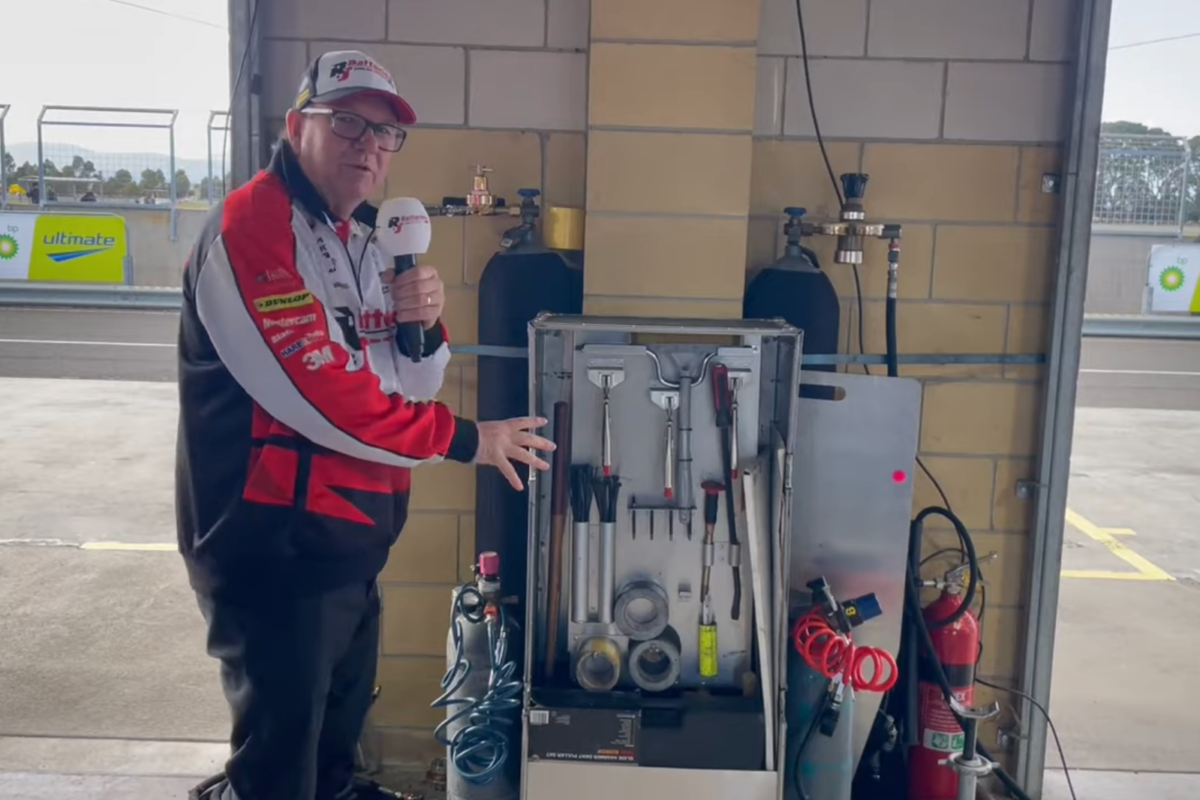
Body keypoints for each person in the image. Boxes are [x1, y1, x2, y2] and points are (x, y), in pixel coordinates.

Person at [176, 49, 555, 800]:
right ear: (296, 126)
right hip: (273, 543)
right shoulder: (252, 227)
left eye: (385, 135)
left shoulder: (367, 236)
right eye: (347, 122)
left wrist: (428, 324)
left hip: (348, 536)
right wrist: (467, 439)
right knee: (277, 766)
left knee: (331, 745)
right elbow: (321, 395)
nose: (369, 146)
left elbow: (405, 378)